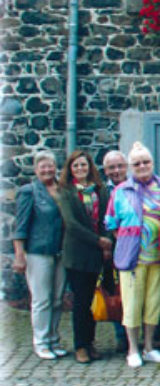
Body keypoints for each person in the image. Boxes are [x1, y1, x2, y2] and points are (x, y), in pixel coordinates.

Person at [105, 142, 160, 368]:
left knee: (154, 304)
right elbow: (111, 222)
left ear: (152, 163)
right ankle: (133, 349)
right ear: (130, 166)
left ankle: (149, 347)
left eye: (146, 162)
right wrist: (127, 242)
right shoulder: (121, 191)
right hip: (132, 257)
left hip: (157, 256)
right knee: (132, 304)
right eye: (137, 163)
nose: (142, 166)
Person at [54, 150, 111, 364]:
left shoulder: (100, 189)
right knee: (81, 303)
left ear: (90, 167)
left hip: (98, 254)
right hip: (77, 254)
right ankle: (80, 346)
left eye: (83, 165)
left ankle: (91, 342)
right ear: (70, 169)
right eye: (76, 166)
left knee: (93, 299)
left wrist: (106, 241)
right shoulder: (66, 192)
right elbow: (72, 224)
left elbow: (107, 217)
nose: (80, 169)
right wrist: (98, 241)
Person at [12, 150, 67, 360]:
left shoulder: (62, 190)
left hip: (61, 251)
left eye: (50, 165)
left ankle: (54, 339)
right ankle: (41, 342)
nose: (47, 170)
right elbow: (20, 225)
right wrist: (19, 254)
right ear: (36, 169)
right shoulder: (29, 191)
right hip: (38, 253)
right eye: (42, 166)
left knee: (57, 299)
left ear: (55, 167)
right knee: (41, 299)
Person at [101, 149, 129, 353]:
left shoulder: (135, 187)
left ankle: (151, 336)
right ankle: (122, 336)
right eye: (111, 167)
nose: (116, 170)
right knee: (117, 294)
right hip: (109, 252)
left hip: (135, 249)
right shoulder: (101, 190)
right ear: (105, 170)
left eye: (120, 166)